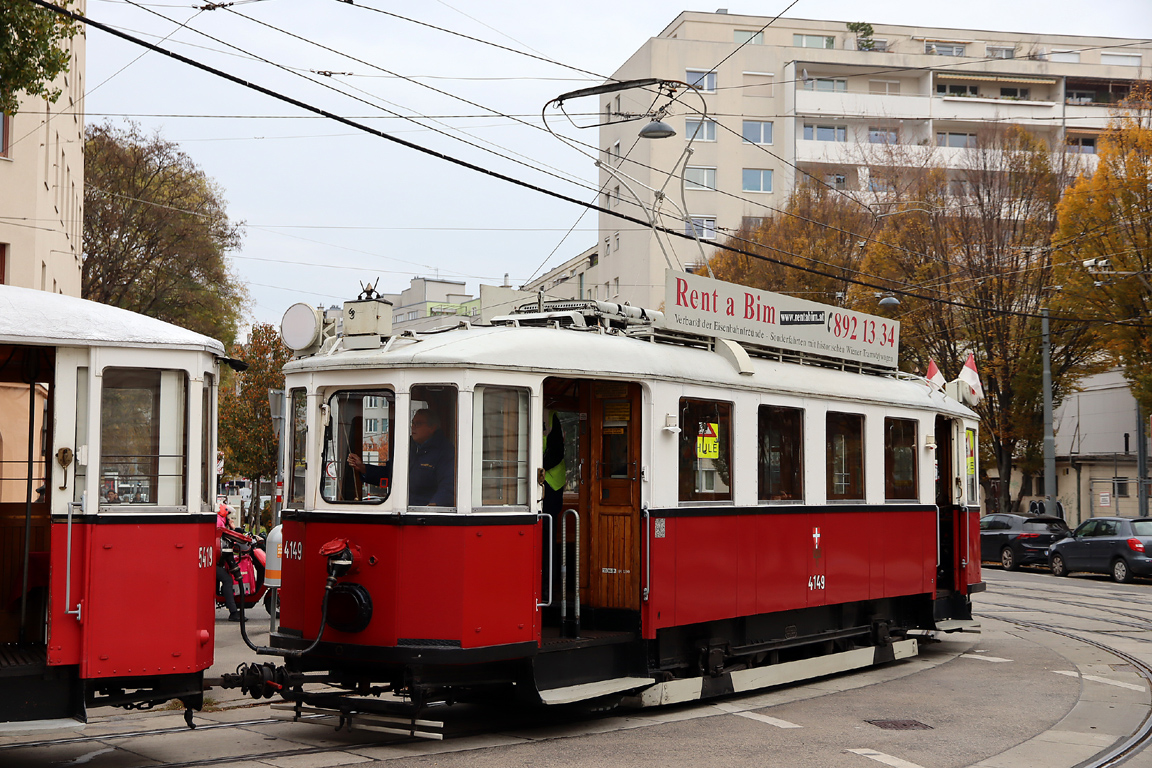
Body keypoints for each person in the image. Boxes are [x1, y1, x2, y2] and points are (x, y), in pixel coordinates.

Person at [347, 408, 454, 506]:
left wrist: (432, 507)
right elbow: (390, 474)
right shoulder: (407, 446)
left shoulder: (444, 451)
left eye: (419, 423)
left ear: (432, 427)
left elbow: (448, 486)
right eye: (413, 423)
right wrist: (363, 468)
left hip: (424, 516)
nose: (413, 427)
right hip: (403, 509)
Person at [216, 502, 240, 621]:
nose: (229, 517)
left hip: (215, 559)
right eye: (228, 515)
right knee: (227, 580)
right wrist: (233, 527)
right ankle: (233, 612)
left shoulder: (219, 521)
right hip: (214, 561)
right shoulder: (219, 523)